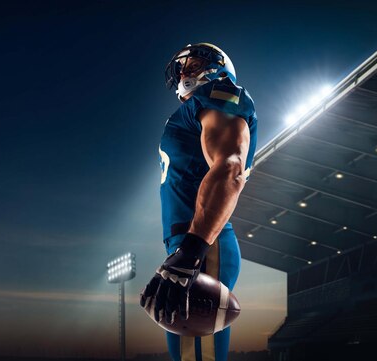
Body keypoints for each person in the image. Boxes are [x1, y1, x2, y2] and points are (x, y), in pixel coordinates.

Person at [140, 43, 258, 361]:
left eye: (192, 63)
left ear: (215, 65)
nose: (183, 71)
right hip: (191, 242)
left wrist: (193, 249)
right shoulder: (197, 109)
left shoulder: (220, 93)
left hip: (203, 244)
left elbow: (230, 167)